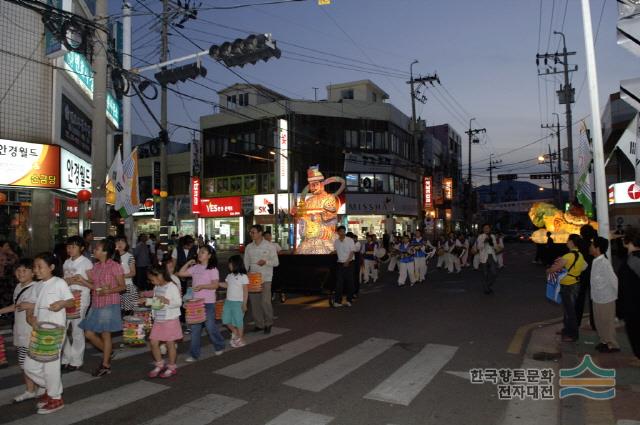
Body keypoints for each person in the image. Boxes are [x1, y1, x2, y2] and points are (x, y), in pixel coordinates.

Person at [24, 252, 74, 414]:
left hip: (54, 330)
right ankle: (50, 388)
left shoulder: (59, 283)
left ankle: (55, 397)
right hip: (39, 330)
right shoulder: (37, 286)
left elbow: (71, 301)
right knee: (29, 366)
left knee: (50, 366)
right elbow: (31, 305)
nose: (36, 270)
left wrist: (61, 303)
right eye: (35, 267)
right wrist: (30, 317)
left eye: (40, 267)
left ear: (51, 267)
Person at [78, 239, 126, 377]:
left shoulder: (115, 266)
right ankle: (108, 351)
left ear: (105, 252)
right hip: (97, 302)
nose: (94, 250)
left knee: (105, 334)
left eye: (97, 249)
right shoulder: (96, 266)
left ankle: (105, 365)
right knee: (88, 333)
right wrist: (81, 280)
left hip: (109, 303)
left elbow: (122, 286)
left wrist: (108, 291)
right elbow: (94, 286)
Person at [0, 258, 41, 402]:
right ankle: (31, 390)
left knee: (32, 364)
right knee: (24, 364)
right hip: (20, 331)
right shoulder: (18, 287)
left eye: (25, 270)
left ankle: (45, 387)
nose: (20, 273)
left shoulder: (37, 287)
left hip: (32, 332)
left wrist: (30, 306)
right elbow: (16, 306)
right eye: (18, 270)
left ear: (33, 273)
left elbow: (43, 305)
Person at [178, 245, 225, 361]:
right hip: (195, 303)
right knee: (195, 329)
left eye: (203, 252)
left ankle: (219, 344)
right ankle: (194, 354)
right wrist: (189, 262)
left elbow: (215, 285)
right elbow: (181, 273)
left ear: (209, 256)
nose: (200, 254)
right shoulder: (196, 267)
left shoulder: (212, 269)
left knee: (210, 326)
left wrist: (202, 286)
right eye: (200, 252)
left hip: (208, 302)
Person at [61, 236, 93, 372]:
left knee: (77, 330)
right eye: (68, 247)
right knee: (62, 328)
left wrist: (78, 281)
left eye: (73, 247)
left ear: (81, 248)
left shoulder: (86, 263)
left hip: (81, 298)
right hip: (67, 298)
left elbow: (92, 283)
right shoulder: (66, 262)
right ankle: (66, 357)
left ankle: (76, 360)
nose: (70, 249)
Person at [546, 234, 586, 342]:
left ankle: (572, 335)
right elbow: (584, 267)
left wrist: (549, 270)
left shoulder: (569, 256)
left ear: (572, 242)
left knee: (570, 312)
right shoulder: (580, 255)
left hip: (569, 286)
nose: (566, 242)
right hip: (575, 284)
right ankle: (567, 331)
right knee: (569, 310)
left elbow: (554, 269)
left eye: (568, 240)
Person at [145, 265, 183, 378]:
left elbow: (178, 303)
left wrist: (166, 300)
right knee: (153, 342)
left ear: (160, 276)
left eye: (153, 279)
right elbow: (156, 302)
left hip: (170, 320)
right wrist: (147, 300)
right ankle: (160, 364)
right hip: (158, 319)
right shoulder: (157, 287)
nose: (152, 282)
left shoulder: (172, 286)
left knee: (170, 344)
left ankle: (171, 367)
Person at [244, 224, 279, 332]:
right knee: (255, 304)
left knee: (265, 302)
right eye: (250, 232)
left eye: (253, 232)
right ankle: (259, 324)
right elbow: (246, 262)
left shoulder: (270, 246)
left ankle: (268, 323)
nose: (251, 234)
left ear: (260, 233)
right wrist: (244, 275)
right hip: (253, 279)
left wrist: (266, 262)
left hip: (265, 278)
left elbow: (276, 262)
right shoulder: (249, 247)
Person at [589, 237, 619, 353]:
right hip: (597, 297)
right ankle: (604, 342)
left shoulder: (604, 263)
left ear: (597, 248)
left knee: (607, 323)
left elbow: (614, 280)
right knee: (599, 322)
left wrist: (618, 297)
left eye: (592, 245)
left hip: (607, 298)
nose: (590, 247)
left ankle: (612, 345)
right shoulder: (595, 261)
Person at [619, 229, 640, 363]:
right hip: (632, 304)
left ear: (629, 241)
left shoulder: (634, 259)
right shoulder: (632, 257)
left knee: (635, 332)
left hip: (634, 305)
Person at [219, 255, 249, 348]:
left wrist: (244, 304)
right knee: (225, 320)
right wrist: (217, 283)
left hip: (238, 303)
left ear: (236, 264)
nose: (229, 265)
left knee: (239, 321)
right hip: (228, 302)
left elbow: (245, 291)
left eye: (230, 264)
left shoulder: (243, 276)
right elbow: (227, 285)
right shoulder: (229, 276)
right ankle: (234, 331)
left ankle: (241, 338)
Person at [577, 225, 597, 331]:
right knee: (592, 298)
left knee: (579, 298)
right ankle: (594, 322)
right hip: (592, 273)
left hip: (581, 273)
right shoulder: (593, 245)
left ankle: (576, 322)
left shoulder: (579, 244)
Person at [333, 226, 357, 307]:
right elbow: (336, 251)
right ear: (338, 232)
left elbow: (352, 252)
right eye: (341, 231)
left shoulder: (349, 240)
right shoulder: (336, 241)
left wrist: (347, 261)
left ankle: (349, 300)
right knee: (339, 282)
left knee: (350, 282)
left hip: (349, 263)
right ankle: (337, 301)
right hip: (340, 263)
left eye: (343, 231)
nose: (342, 233)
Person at [114, 236, 137, 315]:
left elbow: (133, 272)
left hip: (127, 286)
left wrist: (120, 276)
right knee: (116, 311)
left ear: (126, 244)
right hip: (114, 288)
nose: (120, 244)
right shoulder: (111, 256)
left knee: (128, 312)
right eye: (117, 242)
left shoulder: (129, 256)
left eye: (122, 242)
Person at [476, 224, 499, 294]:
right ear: (483, 229)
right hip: (483, 256)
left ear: (490, 229)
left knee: (494, 273)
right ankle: (486, 289)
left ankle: (488, 285)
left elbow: (495, 246)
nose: (486, 229)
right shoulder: (480, 236)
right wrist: (484, 241)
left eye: (488, 228)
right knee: (485, 274)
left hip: (491, 255)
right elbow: (479, 247)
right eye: (485, 228)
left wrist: (492, 243)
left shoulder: (492, 236)